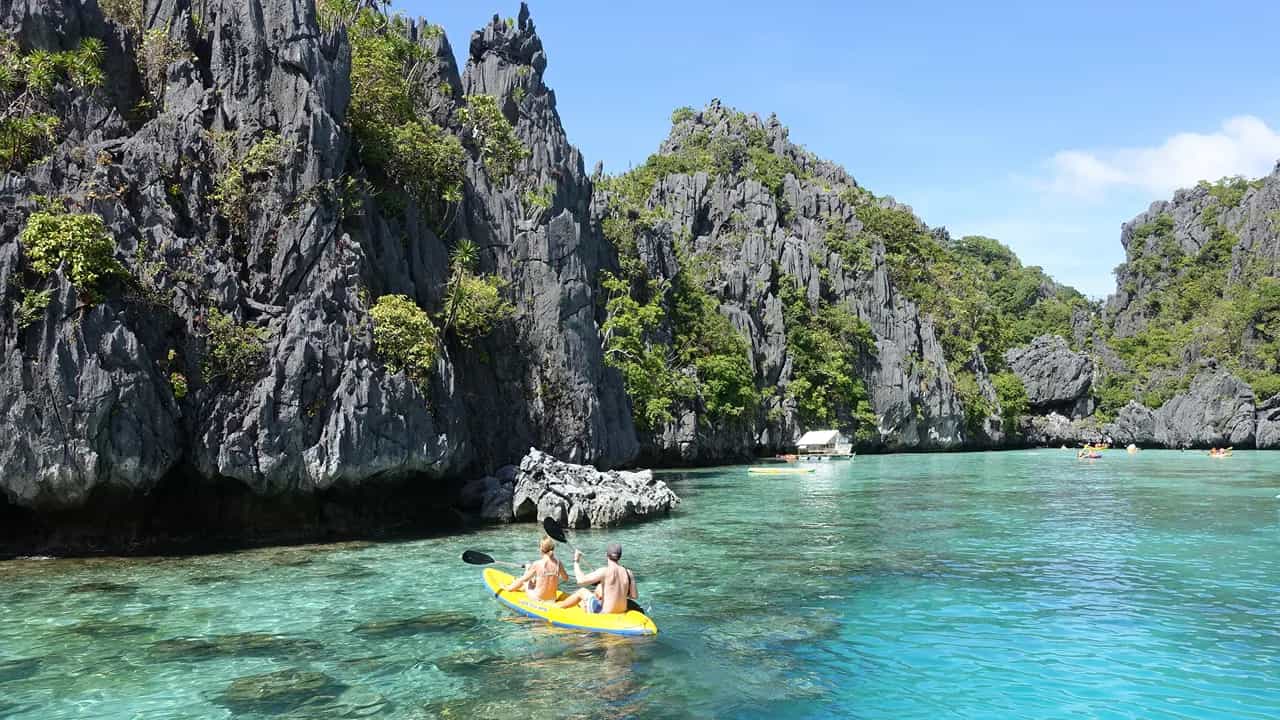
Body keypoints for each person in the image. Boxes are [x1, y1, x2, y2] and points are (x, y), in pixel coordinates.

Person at [555, 542, 637, 614]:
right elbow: (634, 596)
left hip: (604, 613)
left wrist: (576, 561)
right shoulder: (629, 573)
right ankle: (583, 606)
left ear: (607, 555)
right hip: (622, 611)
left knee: (582, 591)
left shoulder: (604, 571)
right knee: (598, 590)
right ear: (620, 556)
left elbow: (580, 581)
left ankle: (558, 608)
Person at [503, 535, 568, 603]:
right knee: (534, 579)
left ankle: (512, 587)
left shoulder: (537, 564)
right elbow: (566, 578)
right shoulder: (558, 563)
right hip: (552, 599)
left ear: (540, 549)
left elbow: (523, 579)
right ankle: (524, 586)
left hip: (538, 599)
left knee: (526, 581)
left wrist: (508, 588)